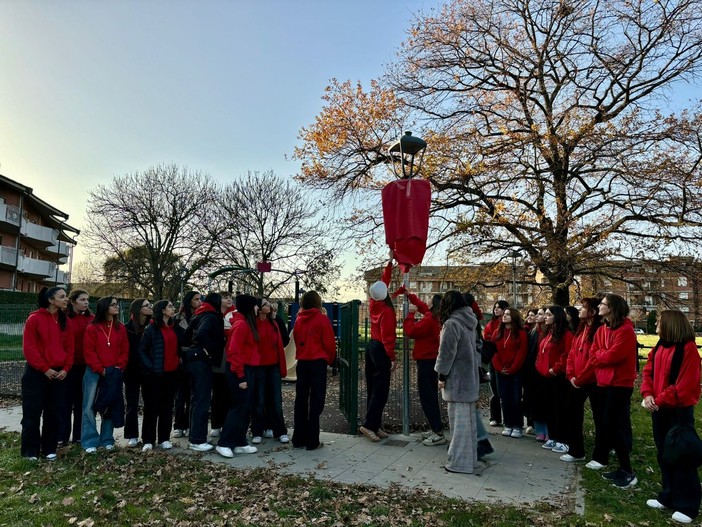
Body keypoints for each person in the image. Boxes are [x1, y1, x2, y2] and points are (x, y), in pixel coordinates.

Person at [642, 310, 701, 524]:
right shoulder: (659, 346)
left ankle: (688, 505)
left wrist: (659, 399)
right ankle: (668, 495)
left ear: (671, 324)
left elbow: (685, 385)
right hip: (659, 408)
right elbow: (648, 371)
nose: (656, 323)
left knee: (682, 456)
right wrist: (647, 394)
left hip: (678, 410)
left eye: (659, 321)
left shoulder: (688, 350)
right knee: (664, 453)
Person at [589, 293, 638, 488]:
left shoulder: (626, 330)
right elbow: (595, 354)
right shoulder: (602, 330)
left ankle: (628, 470)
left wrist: (602, 355)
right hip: (604, 383)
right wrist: (603, 355)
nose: (599, 306)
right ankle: (622, 467)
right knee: (609, 424)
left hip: (620, 384)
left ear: (612, 308)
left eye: (603, 304)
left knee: (616, 425)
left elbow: (614, 356)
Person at [21, 287, 74, 461]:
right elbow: (30, 348)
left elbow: (70, 348)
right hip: (36, 374)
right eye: (62, 296)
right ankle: (30, 451)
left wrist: (65, 368)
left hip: (59, 375)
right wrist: (45, 369)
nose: (66, 299)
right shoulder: (34, 319)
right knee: (32, 413)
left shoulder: (66, 321)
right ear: (51, 300)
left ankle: (49, 448)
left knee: (54, 413)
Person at [435, 290, 479, 473]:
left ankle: (458, 463)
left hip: (457, 380)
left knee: (458, 425)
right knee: (468, 426)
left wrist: (441, 375)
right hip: (469, 378)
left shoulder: (452, 324)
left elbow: (446, 353)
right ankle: (470, 461)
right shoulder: (470, 322)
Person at [82, 296, 129, 453]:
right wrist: (100, 369)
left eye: (117, 305)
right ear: (105, 307)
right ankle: (89, 441)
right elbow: (89, 352)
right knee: (89, 407)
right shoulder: (92, 328)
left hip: (113, 372)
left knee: (110, 405)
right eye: (113, 305)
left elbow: (124, 349)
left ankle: (107, 439)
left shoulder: (120, 327)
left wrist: (119, 367)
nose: (117, 307)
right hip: (94, 373)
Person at [291, 291, 337, 450]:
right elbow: (330, 343)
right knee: (316, 401)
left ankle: (298, 438)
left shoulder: (298, 320)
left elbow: (296, 339)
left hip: (303, 361)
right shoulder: (322, 319)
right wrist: (330, 359)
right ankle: (312, 440)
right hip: (318, 362)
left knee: (301, 400)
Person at [359, 252, 397, 442]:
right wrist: (392, 357)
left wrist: (390, 261)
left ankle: (375, 424)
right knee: (381, 390)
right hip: (381, 349)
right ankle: (368, 426)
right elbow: (388, 337)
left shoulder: (374, 302)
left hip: (371, 347)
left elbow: (384, 280)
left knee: (373, 388)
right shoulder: (387, 312)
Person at [217, 293, 261, 457]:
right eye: (255, 305)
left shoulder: (246, 324)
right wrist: (241, 377)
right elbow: (233, 352)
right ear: (250, 307)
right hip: (239, 370)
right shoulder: (241, 325)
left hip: (246, 369)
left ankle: (240, 441)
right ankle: (224, 443)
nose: (258, 308)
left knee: (245, 407)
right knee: (238, 407)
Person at [561, 297, 603, 462]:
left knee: (599, 417)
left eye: (583, 307)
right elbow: (572, 353)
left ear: (592, 312)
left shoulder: (598, 330)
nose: (579, 310)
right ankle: (576, 450)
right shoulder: (581, 328)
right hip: (576, 379)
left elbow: (594, 359)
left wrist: (581, 378)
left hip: (592, 380)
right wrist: (571, 374)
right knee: (572, 412)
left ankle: (600, 455)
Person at [139, 300, 182, 452]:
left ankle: (164, 438)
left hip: (172, 374)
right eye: (170, 306)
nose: (173, 308)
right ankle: (148, 440)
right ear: (162, 310)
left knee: (167, 407)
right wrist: (150, 367)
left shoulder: (174, 327)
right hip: (154, 375)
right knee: (151, 408)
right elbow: (142, 349)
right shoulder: (152, 328)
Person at [184, 292, 225, 452]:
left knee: (196, 400)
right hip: (202, 361)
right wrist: (209, 351)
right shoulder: (212, 317)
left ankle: (195, 436)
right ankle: (198, 439)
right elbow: (201, 335)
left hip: (193, 360)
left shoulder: (199, 315)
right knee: (202, 400)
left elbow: (187, 336)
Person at [403, 290, 445, 446]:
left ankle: (438, 432)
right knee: (430, 396)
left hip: (427, 361)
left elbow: (411, 331)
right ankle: (435, 428)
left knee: (427, 397)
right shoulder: (435, 317)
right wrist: (410, 296)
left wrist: (410, 315)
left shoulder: (429, 319)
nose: (426, 301)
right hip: (431, 360)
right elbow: (422, 305)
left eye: (429, 300)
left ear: (433, 304)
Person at [249, 298, 288, 444]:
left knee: (276, 400)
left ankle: (280, 431)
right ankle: (257, 431)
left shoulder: (274, 323)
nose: (269, 306)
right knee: (258, 400)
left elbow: (280, 343)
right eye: (265, 304)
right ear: (258, 308)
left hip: (273, 366)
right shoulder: (252, 324)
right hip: (258, 366)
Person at [534, 305, 573, 453]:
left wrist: (555, 369)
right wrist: (540, 366)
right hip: (545, 376)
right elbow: (541, 352)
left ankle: (563, 439)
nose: (546, 317)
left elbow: (566, 354)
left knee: (559, 409)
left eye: (549, 314)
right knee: (549, 407)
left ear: (556, 316)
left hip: (558, 378)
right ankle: (553, 437)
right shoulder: (548, 333)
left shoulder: (565, 334)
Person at [59, 289, 92, 446]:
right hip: (68, 366)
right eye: (82, 299)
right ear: (73, 302)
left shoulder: (91, 319)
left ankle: (79, 436)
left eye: (87, 300)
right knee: (66, 402)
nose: (86, 302)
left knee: (82, 402)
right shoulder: (64, 318)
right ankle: (62, 435)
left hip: (86, 366)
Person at [492, 308, 528, 438]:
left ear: (514, 316)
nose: (504, 316)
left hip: (515, 371)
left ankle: (517, 425)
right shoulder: (498, 332)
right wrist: (499, 367)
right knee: (504, 398)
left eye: (507, 314)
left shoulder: (520, 333)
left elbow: (521, 353)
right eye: (504, 314)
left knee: (515, 398)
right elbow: (493, 351)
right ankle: (507, 424)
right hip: (500, 371)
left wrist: (512, 368)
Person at [124, 298, 152, 447]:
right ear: (139, 309)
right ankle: (131, 435)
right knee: (132, 404)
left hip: (148, 370)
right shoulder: (127, 328)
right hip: (131, 370)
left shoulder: (151, 326)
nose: (150, 307)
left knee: (149, 404)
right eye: (146, 305)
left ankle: (148, 437)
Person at [173, 290, 201, 438]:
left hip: (195, 359)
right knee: (180, 396)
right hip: (181, 360)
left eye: (200, 299)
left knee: (193, 395)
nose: (199, 302)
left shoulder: (201, 317)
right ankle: (178, 424)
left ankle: (190, 424)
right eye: (196, 299)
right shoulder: (177, 319)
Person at [210, 291, 234, 439]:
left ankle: (227, 423)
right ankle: (215, 424)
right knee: (217, 395)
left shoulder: (235, 315)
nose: (229, 299)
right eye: (225, 297)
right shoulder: (214, 316)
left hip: (231, 359)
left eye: (230, 297)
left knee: (229, 394)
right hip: (218, 361)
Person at [483, 300, 509, 427]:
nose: (496, 309)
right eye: (495, 307)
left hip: (506, 360)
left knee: (506, 391)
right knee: (495, 390)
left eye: (499, 307)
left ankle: (508, 419)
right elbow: (488, 340)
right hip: (493, 360)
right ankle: (495, 417)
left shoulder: (508, 325)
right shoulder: (491, 324)